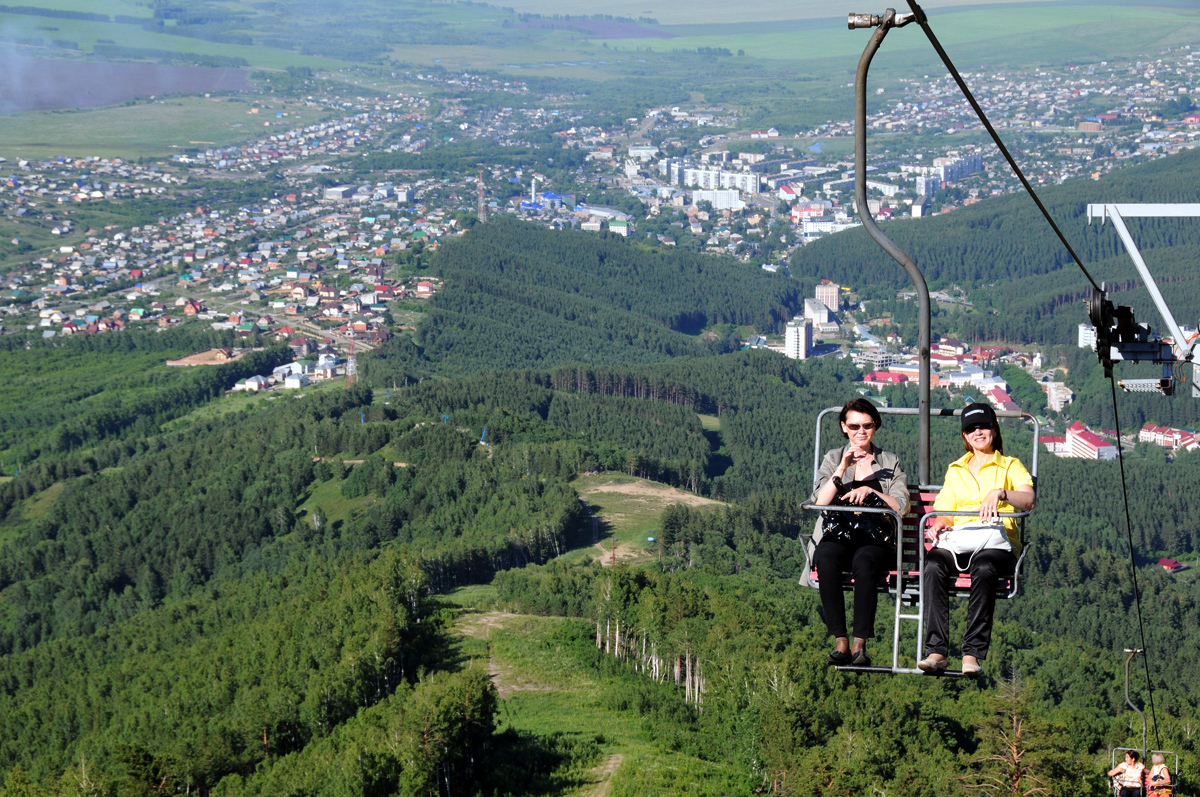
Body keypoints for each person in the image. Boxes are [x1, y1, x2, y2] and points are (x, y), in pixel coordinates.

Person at [918, 403, 1035, 677]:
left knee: (984, 568)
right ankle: (937, 651)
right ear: (965, 436)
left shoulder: (1009, 465)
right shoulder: (955, 469)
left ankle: (971, 653)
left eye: (982, 426)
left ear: (994, 429)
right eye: (971, 429)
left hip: (996, 543)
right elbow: (945, 512)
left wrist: (1001, 494)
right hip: (961, 539)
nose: (977, 432)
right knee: (933, 564)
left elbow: (1028, 500)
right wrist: (939, 526)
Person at [811, 398, 909, 666]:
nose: (860, 432)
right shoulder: (833, 458)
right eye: (854, 426)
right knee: (826, 558)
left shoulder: (889, 461)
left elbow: (901, 507)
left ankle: (859, 645)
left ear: (875, 427)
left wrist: (872, 491)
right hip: (839, 534)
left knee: (865, 562)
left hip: (874, 537)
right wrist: (842, 467)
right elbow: (820, 501)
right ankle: (840, 641)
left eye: (867, 425)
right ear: (844, 427)